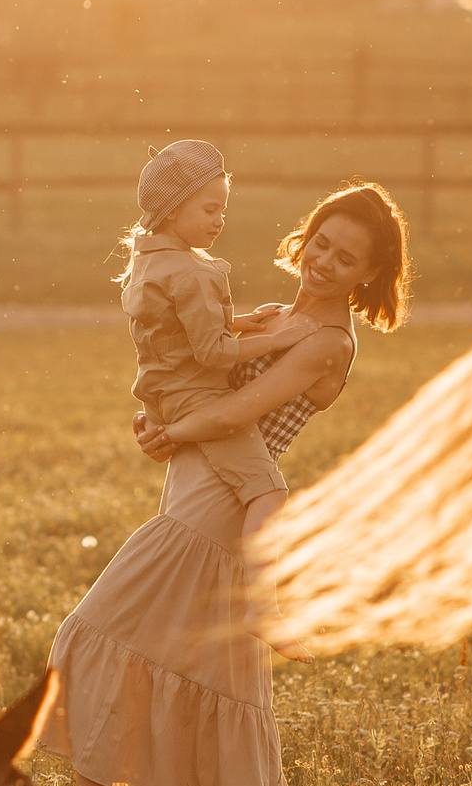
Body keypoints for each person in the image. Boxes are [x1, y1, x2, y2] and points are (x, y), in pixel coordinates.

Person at [39, 183, 412, 786]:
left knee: (91, 636)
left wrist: (174, 429)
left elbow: (241, 415)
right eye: (322, 243)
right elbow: (195, 373)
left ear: (368, 275)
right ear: (306, 236)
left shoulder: (330, 341)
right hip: (196, 488)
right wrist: (158, 421)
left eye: (345, 257)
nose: (325, 261)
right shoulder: (272, 313)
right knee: (217, 674)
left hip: (219, 509)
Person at [118, 141, 320, 539]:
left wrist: (242, 321)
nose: (220, 221)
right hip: (196, 398)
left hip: (157, 396)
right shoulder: (194, 272)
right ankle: (253, 590)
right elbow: (213, 353)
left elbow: (179, 328)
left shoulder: (148, 260)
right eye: (210, 210)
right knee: (269, 493)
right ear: (173, 208)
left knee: (188, 504)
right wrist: (281, 340)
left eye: (223, 210)